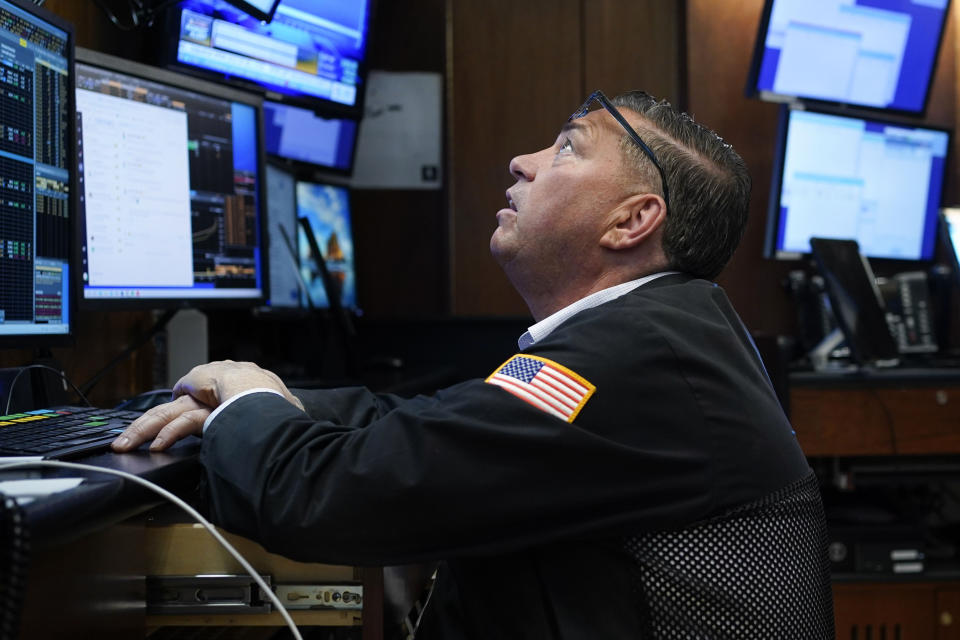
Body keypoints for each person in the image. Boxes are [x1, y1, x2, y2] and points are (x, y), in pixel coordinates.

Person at [112, 90, 833, 638]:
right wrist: (259, 398)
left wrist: (249, 403)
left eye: (568, 150)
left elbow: (329, 500)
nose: (523, 161)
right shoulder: (656, 333)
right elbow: (435, 428)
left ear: (631, 221)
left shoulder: (634, 361)